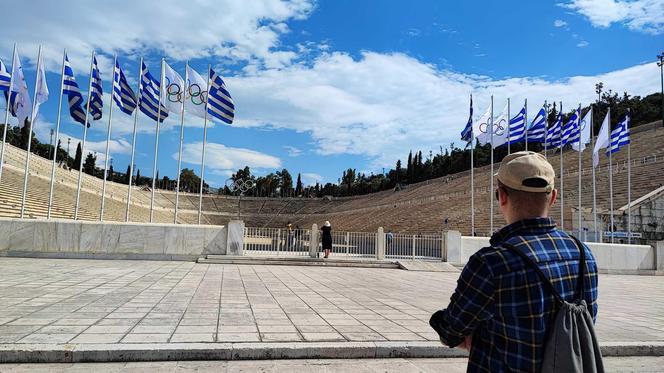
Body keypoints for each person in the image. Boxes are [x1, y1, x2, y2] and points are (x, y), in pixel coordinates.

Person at [429, 151, 599, 372]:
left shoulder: (491, 263)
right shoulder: (584, 254)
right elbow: (585, 325)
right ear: (554, 196)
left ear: (501, 196)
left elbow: (450, 332)